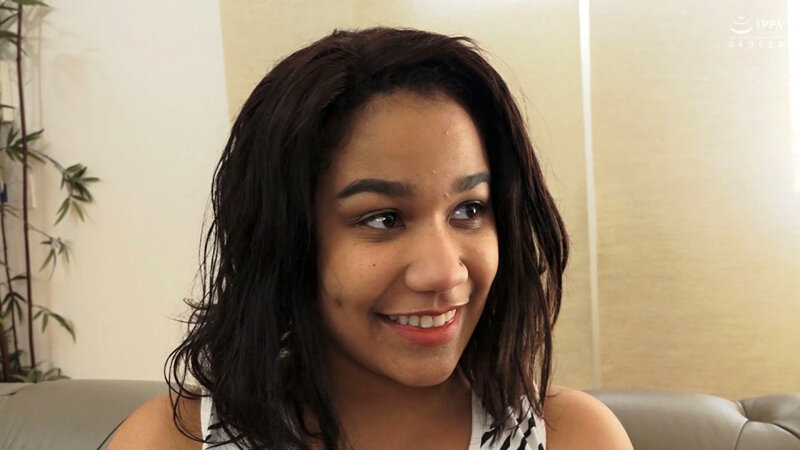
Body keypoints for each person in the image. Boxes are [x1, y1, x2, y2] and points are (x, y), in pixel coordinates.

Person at [110, 26, 633, 449]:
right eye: (383, 219)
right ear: (285, 239)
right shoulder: (171, 440)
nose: (444, 272)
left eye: (469, 209)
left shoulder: (574, 438)